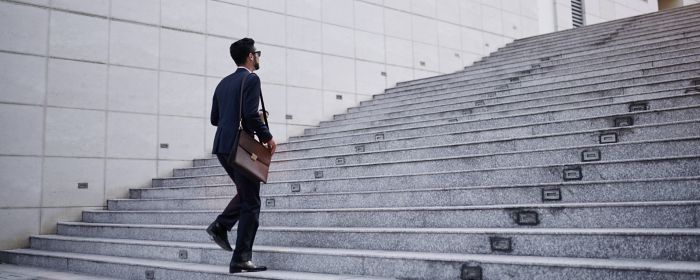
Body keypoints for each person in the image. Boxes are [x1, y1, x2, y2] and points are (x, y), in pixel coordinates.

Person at [207, 37, 277, 273]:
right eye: (257, 53)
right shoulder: (251, 79)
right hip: (240, 147)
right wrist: (267, 137)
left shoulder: (223, 83)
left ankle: (221, 226)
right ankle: (240, 257)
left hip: (222, 147)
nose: (258, 57)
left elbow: (215, 119)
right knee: (252, 202)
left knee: (246, 194)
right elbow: (249, 115)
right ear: (250, 56)